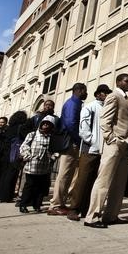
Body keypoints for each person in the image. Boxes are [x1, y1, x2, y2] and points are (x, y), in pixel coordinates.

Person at [86, 73, 128, 228]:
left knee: (119, 184)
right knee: (104, 181)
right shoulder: (113, 96)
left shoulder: (125, 99)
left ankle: (111, 215)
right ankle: (92, 217)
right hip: (115, 144)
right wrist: (112, 139)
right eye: (126, 81)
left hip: (125, 147)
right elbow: (105, 120)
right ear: (118, 82)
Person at [68, 84, 112, 221]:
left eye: (107, 92)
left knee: (94, 181)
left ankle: (86, 208)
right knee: (82, 180)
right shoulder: (90, 107)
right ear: (97, 94)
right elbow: (84, 127)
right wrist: (92, 141)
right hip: (90, 149)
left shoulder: (107, 108)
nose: (105, 95)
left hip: (103, 150)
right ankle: (74, 208)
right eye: (103, 92)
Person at [49, 83, 88, 216]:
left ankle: (61, 202)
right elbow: (71, 123)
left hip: (71, 141)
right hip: (71, 142)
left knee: (69, 174)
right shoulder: (73, 103)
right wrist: (79, 140)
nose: (86, 94)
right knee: (65, 174)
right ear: (79, 90)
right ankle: (55, 205)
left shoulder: (74, 103)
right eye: (85, 91)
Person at [19, 116, 58, 213]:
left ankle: (37, 205)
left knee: (41, 188)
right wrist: (27, 155)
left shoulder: (52, 138)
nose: (45, 126)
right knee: (29, 186)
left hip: (45, 167)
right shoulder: (32, 135)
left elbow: (56, 150)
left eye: (48, 124)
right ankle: (23, 205)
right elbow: (24, 145)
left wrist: (53, 157)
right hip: (32, 165)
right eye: (44, 123)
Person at [0, 111, 28, 203]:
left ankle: (0, 195)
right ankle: (7, 196)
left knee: (4, 175)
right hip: (14, 154)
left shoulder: (9, 128)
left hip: (6, 153)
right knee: (12, 175)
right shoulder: (21, 128)